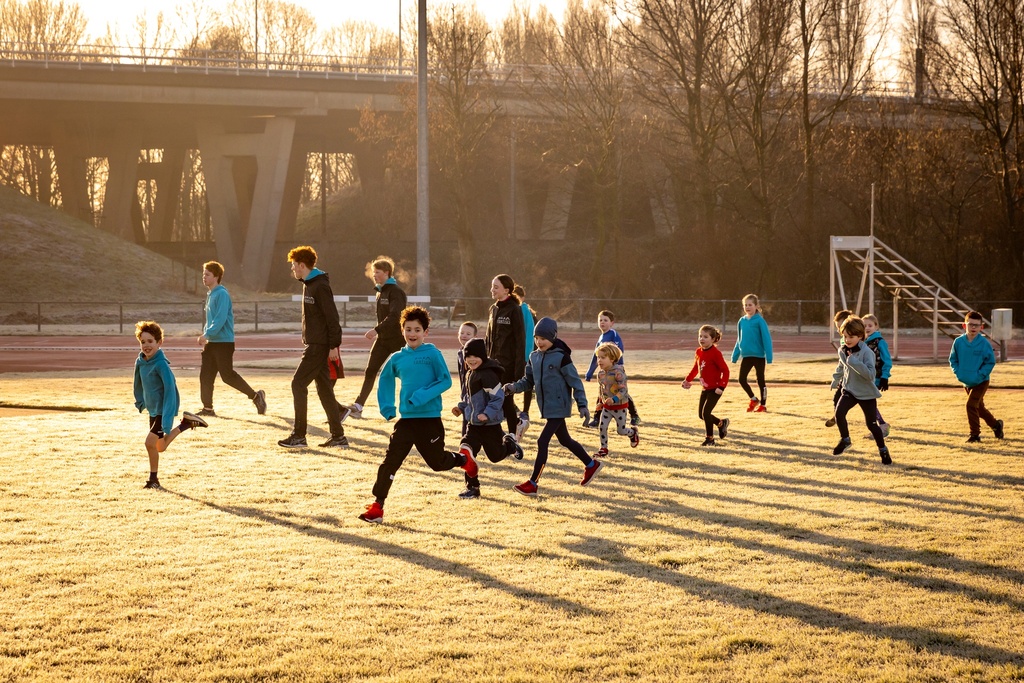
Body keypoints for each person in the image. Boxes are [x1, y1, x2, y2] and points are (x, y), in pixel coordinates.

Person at [358, 307, 479, 523]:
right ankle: (377, 506)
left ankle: (463, 459)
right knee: (390, 462)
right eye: (408, 329)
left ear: (425, 332)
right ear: (402, 330)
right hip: (406, 421)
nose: (412, 334)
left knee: (437, 463)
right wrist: (387, 407)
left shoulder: (432, 354)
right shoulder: (397, 358)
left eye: (417, 329)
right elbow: (384, 379)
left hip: (430, 420)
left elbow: (445, 380)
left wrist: (422, 396)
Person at [505, 317, 602, 496]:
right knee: (565, 440)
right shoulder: (533, 356)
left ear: (553, 337)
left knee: (542, 442)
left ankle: (533, 483)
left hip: (560, 405)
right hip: (547, 407)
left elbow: (575, 382)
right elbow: (528, 381)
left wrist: (583, 405)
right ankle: (591, 464)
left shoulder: (561, 357)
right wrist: (513, 387)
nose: (539, 342)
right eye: (536, 338)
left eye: (543, 338)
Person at [278, 245, 347, 449]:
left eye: (293, 265)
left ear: (301, 265)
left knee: (298, 384)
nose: (292, 269)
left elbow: (332, 317)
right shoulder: (307, 284)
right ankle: (338, 436)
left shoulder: (319, 285)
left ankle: (299, 436)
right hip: (315, 343)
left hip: (319, 346)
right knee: (325, 390)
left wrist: (334, 345)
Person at [133, 320, 208, 489]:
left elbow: (170, 390)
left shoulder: (161, 365)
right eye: (142, 342)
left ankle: (153, 480)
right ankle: (186, 424)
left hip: (162, 411)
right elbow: (137, 384)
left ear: (159, 342)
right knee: (160, 447)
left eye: (150, 341)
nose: (146, 345)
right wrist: (140, 401)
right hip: (153, 411)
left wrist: (167, 417)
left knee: (149, 443)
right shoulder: (140, 362)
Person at [452, 338, 524, 499]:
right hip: (474, 425)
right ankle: (473, 487)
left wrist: (488, 413)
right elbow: (472, 399)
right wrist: (462, 407)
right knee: (466, 452)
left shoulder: (488, 375)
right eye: (467, 357)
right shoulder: (472, 373)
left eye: (475, 356)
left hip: (490, 425)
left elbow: (498, 398)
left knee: (495, 456)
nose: (471, 360)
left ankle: (510, 446)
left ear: (483, 357)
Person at [195, 261, 266, 418]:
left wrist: (206, 334)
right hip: (212, 343)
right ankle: (207, 408)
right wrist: (206, 335)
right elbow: (210, 320)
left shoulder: (222, 294)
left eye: (207, 274)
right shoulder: (211, 294)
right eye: (203, 274)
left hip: (224, 343)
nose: (204, 277)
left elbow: (219, 319)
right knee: (205, 375)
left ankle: (256, 397)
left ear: (217, 276)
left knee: (227, 376)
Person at [343, 256, 407, 421]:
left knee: (406, 375)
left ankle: (414, 407)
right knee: (370, 371)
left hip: (397, 341)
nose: (374, 275)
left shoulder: (396, 292)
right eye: (373, 272)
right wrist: (379, 332)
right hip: (383, 340)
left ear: (387, 272)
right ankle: (358, 407)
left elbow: (395, 316)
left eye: (377, 272)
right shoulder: (380, 292)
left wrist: (376, 330)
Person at [831, 316, 891, 464]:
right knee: (839, 414)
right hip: (849, 390)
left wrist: (855, 363)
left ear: (860, 336)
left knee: (871, 425)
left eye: (851, 337)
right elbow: (841, 366)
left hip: (866, 393)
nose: (847, 340)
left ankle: (883, 449)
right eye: (845, 336)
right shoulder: (842, 350)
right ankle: (845, 440)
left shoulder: (867, 352)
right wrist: (836, 378)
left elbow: (870, 375)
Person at [949, 310, 1004, 443]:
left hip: (981, 381)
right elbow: (953, 359)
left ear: (981, 327)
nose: (973, 327)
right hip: (966, 381)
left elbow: (990, 362)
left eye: (976, 325)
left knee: (970, 405)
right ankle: (996, 425)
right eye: (970, 324)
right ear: (964, 326)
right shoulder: (958, 342)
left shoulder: (984, 343)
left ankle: (975, 435)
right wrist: (958, 372)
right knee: (979, 408)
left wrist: (980, 375)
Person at [485, 274, 527, 437]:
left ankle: (512, 435)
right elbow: (488, 338)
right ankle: (514, 426)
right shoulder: (493, 309)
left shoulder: (514, 310)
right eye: (492, 286)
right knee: (494, 398)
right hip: (492, 364)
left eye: (496, 287)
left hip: (507, 365)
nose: (492, 290)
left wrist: (518, 370)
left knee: (506, 400)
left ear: (507, 290)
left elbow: (520, 341)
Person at [584, 310, 641, 427]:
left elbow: (619, 351)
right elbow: (595, 356)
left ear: (612, 323)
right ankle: (597, 418)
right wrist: (590, 372)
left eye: (605, 320)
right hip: (604, 370)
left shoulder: (613, 334)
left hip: (616, 369)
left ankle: (634, 415)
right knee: (602, 391)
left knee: (620, 391)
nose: (602, 322)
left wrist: (615, 366)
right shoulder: (601, 337)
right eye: (600, 320)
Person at [682, 325, 730, 447]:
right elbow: (695, 368)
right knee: (701, 415)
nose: (702, 339)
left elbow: (726, 371)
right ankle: (721, 423)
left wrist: (722, 386)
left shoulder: (716, 353)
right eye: (700, 336)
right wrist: (687, 380)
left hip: (715, 389)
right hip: (705, 388)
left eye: (705, 337)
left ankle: (710, 439)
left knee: (706, 413)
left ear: (713, 339)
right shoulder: (698, 351)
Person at [594, 342, 640, 457]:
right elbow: (602, 390)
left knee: (621, 431)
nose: (599, 360)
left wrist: (614, 399)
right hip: (607, 407)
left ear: (612, 359)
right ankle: (603, 448)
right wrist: (600, 402)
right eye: (598, 357)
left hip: (619, 407)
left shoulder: (618, 373)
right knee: (602, 427)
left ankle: (633, 433)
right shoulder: (600, 374)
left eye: (603, 357)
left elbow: (624, 391)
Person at [730, 294, 773, 413]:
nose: (747, 307)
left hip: (758, 356)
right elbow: (739, 339)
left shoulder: (760, 321)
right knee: (741, 379)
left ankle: (763, 405)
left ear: (756, 306)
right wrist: (735, 355)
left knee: (760, 380)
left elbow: (766, 339)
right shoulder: (741, 321)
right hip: (747, 356)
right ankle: (753, 399)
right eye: (745, 305)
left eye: (750, 305)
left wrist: (769, 356)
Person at [862, 314, 892, 437]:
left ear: (876, 326)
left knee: (867, 403)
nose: (867, 328)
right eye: (864, 326)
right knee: (866, 402)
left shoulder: (880, 342)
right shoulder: (861, 341)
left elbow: (887, 360)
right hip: (864, 377)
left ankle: (881, 427)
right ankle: (881, 425)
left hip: (876, 377)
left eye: (870, 325)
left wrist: (885, 377)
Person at [513, 284, 536, 441]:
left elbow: (534, 336)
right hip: (514, 356)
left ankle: (525, 410)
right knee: (511, 381)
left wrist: (529, 354)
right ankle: (512, 407)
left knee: (528, 383)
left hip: (527, 356)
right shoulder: (510, 312)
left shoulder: (529, 314)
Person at [825, 309, 853, 428]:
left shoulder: (858, 339)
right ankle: (838, 416)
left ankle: (881, 423)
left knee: (867, 404)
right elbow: (842, 362)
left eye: (840, 326)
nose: (838, 330)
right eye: (837, 327)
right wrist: (836, 378)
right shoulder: (843, 340)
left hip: (857, 377)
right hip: (846, 376)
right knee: (837, 398)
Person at [455, 321, 478, 436]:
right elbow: (461, 376)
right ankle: (464, 446)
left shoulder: (476, 355)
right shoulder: (460, 353)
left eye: (468, 334)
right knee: (466, 420)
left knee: (484, 425)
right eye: (462, 332)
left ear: (474, 337)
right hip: (465, 394)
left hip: (475, 395)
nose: (464, 335)